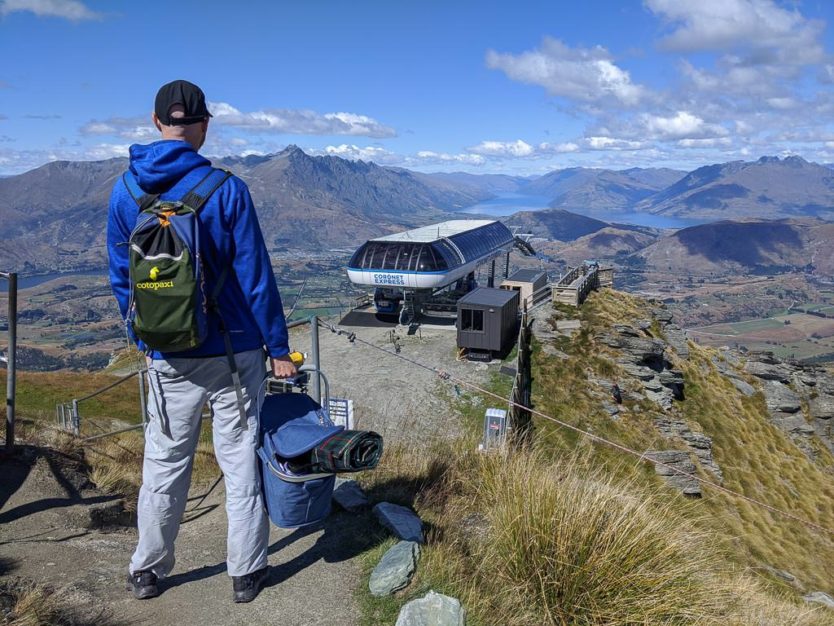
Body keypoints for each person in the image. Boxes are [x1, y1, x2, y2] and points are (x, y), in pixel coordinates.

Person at [106, 79, 296, 604]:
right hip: (233, 355)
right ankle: (245, 573)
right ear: (204, 126)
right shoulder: (226, 189)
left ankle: (147, 569)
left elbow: (122, 276)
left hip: (167, 356)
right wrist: (278, 349)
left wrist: (141, 337)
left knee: (164, 463)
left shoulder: (125, 191)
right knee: (239, 462)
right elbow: (255, 277)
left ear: (154, 123)